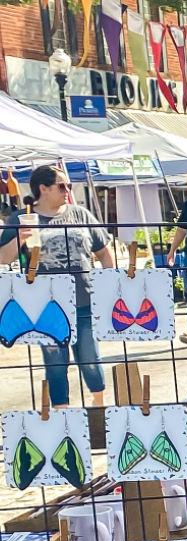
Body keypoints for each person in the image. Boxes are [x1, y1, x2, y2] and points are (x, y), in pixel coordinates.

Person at [0, 164, 114, 406]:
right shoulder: (22, 217)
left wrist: (110, 289)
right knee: (55, 363)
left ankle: (99, 406)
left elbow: (104, 252)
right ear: (43, 188)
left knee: (90, 358)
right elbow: (4, 258)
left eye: (69, 186)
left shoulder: (80, 214)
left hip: (84, 300)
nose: (68, 190)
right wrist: (20, 236)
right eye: (62, 186)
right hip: (44, 305)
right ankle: (62, 414)